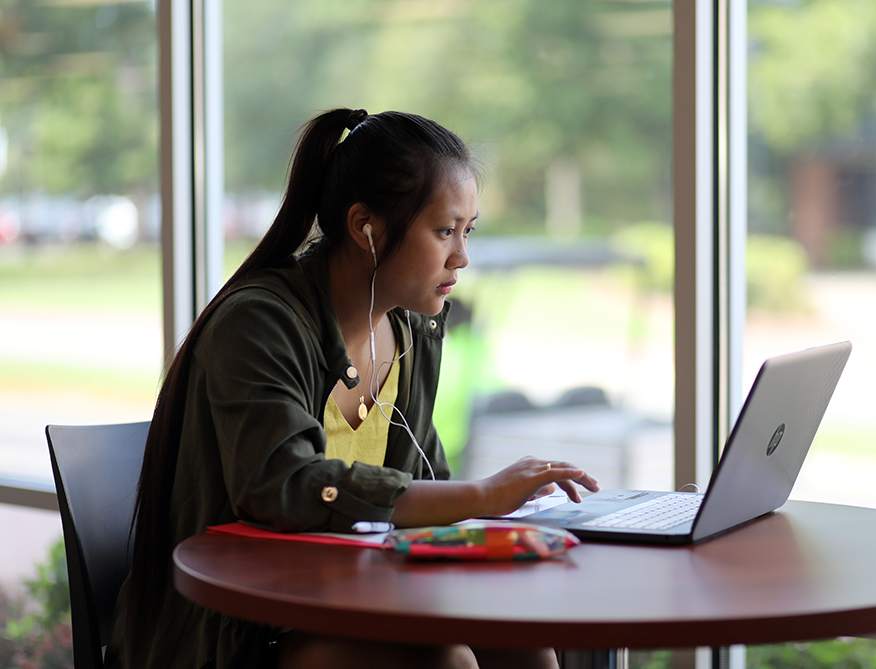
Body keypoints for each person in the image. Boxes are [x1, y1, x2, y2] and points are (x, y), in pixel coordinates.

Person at [104, 108, 600, 669]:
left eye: (469, 231)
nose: (462, 257)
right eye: (444, 231)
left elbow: (423, 488)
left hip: (340, 601)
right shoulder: (260, 323)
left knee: (524, 646)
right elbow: (281, 486)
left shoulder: (413, 332)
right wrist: (483, 495)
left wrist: (515, 522)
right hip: (231, 629)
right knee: (445, 662)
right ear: (367, 227)